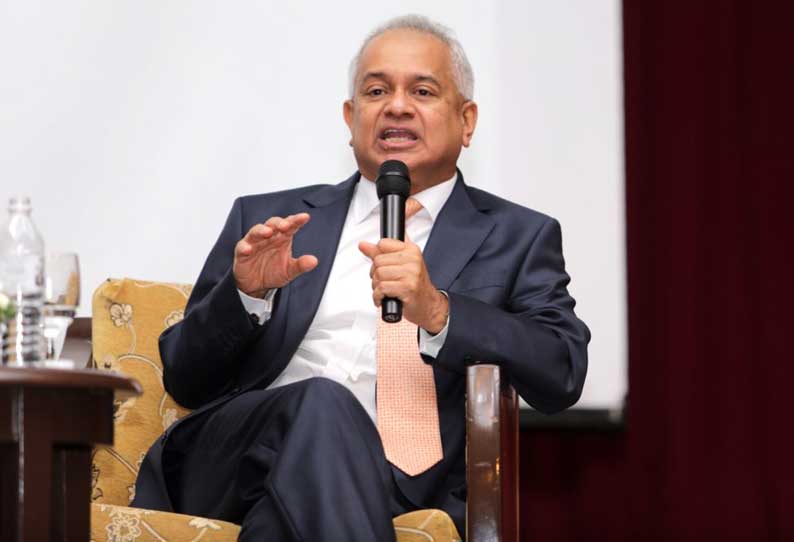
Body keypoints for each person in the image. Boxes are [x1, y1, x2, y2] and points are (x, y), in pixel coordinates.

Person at [132, 14, 590, 542]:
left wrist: (440, 312)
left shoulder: (519, 236)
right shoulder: (270, 220)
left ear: (467, 121)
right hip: (231, 461)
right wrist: (246, 296)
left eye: (422, 91)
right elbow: (184, 377)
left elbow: (561, 370)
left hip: (395, 482)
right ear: (351, 119)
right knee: (323, 402)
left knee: (283, 518)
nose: (397, 106)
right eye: (377, 91)